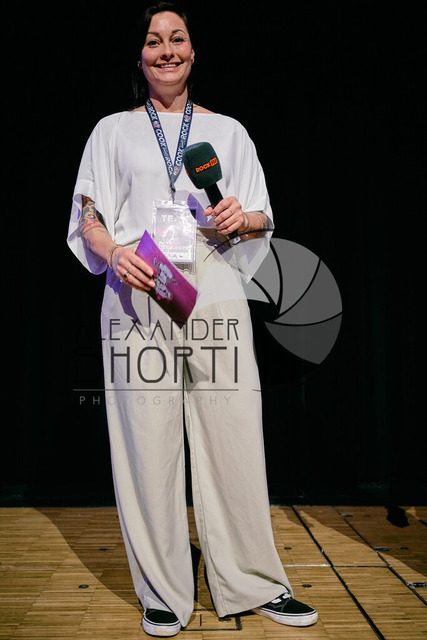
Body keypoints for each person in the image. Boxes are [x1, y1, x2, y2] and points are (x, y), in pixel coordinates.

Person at [67, 2, 318, 637]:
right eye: (154, 41)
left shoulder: (228, 131)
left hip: (212, 276)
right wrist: (113, 253)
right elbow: (88, 214)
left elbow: (262, 216)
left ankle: (255, 582)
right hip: (138, 278)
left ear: (193, 51)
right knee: (145, 440)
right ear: (140, 56)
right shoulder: (111, 131)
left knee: (234, 434)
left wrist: (243, 218)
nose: (167, 50)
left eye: (177, 38)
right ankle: (163, 589)